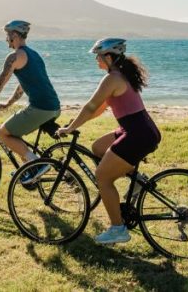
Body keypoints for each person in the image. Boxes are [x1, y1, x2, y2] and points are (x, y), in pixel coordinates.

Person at [57, 38, 161, 245]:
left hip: (137, 134)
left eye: (98, 55)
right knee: (98, 147)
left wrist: (70, 128)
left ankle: (117, 229)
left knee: (103, 178)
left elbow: (89, 106)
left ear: (109, 57)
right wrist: (75, 123)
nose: (96, 59)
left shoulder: (112, 78)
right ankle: (138, 181)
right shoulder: (120, 75)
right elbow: (98, 109)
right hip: (139, 129)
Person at [0, 20, 61, 185]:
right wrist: (8, 104)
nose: (6, 39)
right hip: (54, 106)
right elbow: (22, 86)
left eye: (7, 35)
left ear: (14, 35)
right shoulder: (33, 54)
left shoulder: (14, 57)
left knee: (3, 133)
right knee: (16, 135)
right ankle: (29, 169)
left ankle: (36, 165)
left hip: (40, 108)